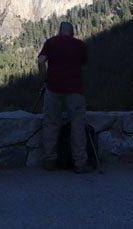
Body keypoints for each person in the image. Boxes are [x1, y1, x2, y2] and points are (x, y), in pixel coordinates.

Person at [37, 20, 91, 173]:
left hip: (53, 88)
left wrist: (44, 77)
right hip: (75, 90)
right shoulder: (80, 45)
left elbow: (41, 61)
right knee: (78, 125)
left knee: (51, 123)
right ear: (72, 32)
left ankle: (49, 160)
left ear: (59, 31)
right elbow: (84, 62)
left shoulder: (51, 42)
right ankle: (80, 162)